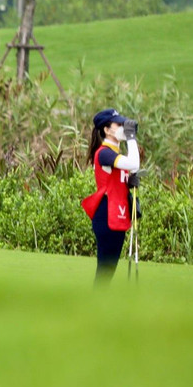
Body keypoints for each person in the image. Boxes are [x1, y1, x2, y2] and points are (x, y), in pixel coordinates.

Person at [80, 108, 140, 283]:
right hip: (106, 214)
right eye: (118, 124)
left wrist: (129, 182)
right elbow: (134, 163)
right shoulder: (104, 153)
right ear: (107, 130)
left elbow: (132, 167)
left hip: (118, 213)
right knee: (105, 270)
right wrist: (131, 138)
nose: (122, 127)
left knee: (109, 270)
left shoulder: (114, 154)